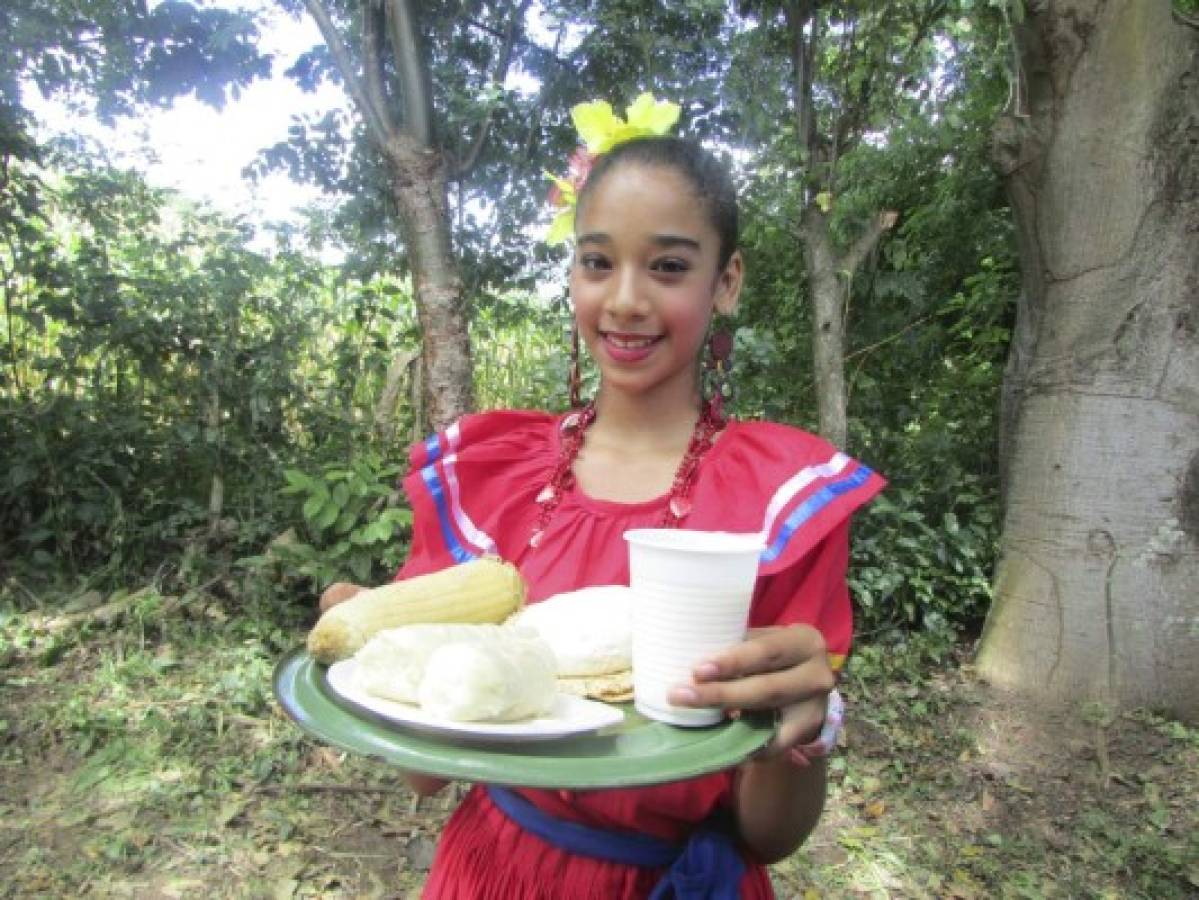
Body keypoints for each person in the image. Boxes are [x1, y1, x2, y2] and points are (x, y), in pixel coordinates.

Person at [321, 130, 885, 898]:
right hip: (493, 872)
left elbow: (770, 837)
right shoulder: (492, 484)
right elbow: (424, 775)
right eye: (597, 262)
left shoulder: (779, 505)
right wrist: (382, 655)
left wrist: (803, 731)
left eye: (668, 266)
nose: (624, 299)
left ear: (726, 282)